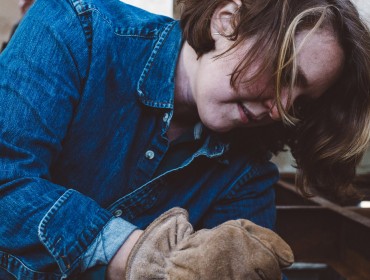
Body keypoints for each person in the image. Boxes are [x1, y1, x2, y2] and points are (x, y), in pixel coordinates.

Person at [0, 0, 369, 279]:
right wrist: (140, 255)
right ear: (227, 20)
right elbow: (7, 180)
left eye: (302, 102)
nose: (281, 109)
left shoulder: (248, 176)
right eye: (287, 74)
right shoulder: (76, 28)